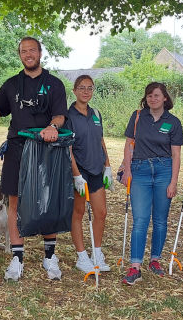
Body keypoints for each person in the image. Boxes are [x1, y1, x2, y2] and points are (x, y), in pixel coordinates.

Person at [0, 37, 68, 281]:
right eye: (23, 51)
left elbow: (60, 116)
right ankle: (17, 259)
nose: (28, 54)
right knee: (15, 203)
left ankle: (50, 257)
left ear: (40, 53)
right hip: (18, 150)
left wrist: (52, 127)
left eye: (32, 50)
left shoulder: (54, 84)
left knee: (48, 202)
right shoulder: (11, 84)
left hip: (46, 151)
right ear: (19, 55)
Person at [119, 82, 183, 285]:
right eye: (149, 96)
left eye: (156, 95)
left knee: (160, 220)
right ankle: (135, 266)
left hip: (164, 171)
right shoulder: (138, 116)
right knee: (140, 220)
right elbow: (129, 144)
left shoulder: (173, 122)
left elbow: (176, 154)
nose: (152, 99)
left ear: (165, 98)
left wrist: (173, 182)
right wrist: (127, 170)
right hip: (140, 171)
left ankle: (155, 260)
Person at [66, 75, 112, 274]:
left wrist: (108, 166)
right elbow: (67, 148)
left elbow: (100, 140)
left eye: (90, 88)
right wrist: (76, 175)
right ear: (75, 90)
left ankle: (97, 253)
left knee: (101, 213)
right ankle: (81, 256)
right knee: (79, 213)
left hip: (96, 170)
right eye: (82, 88)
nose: (86, 91)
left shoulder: (96, 113)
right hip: (79, 171)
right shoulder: (68, 116)